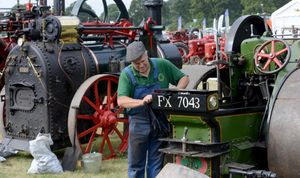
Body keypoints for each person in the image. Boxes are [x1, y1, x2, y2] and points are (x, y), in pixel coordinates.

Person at [117, 41, 189, 178]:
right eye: (136, 64)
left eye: (143, 61)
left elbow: (184, 78)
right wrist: (141, 101)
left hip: (160, 120)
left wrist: (176, 91)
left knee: (156, 163)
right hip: (139, 122)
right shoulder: (127, 74)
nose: (141, 66)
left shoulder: (162, 65)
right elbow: (121, 100)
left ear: (146, 54)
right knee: (136, 164)